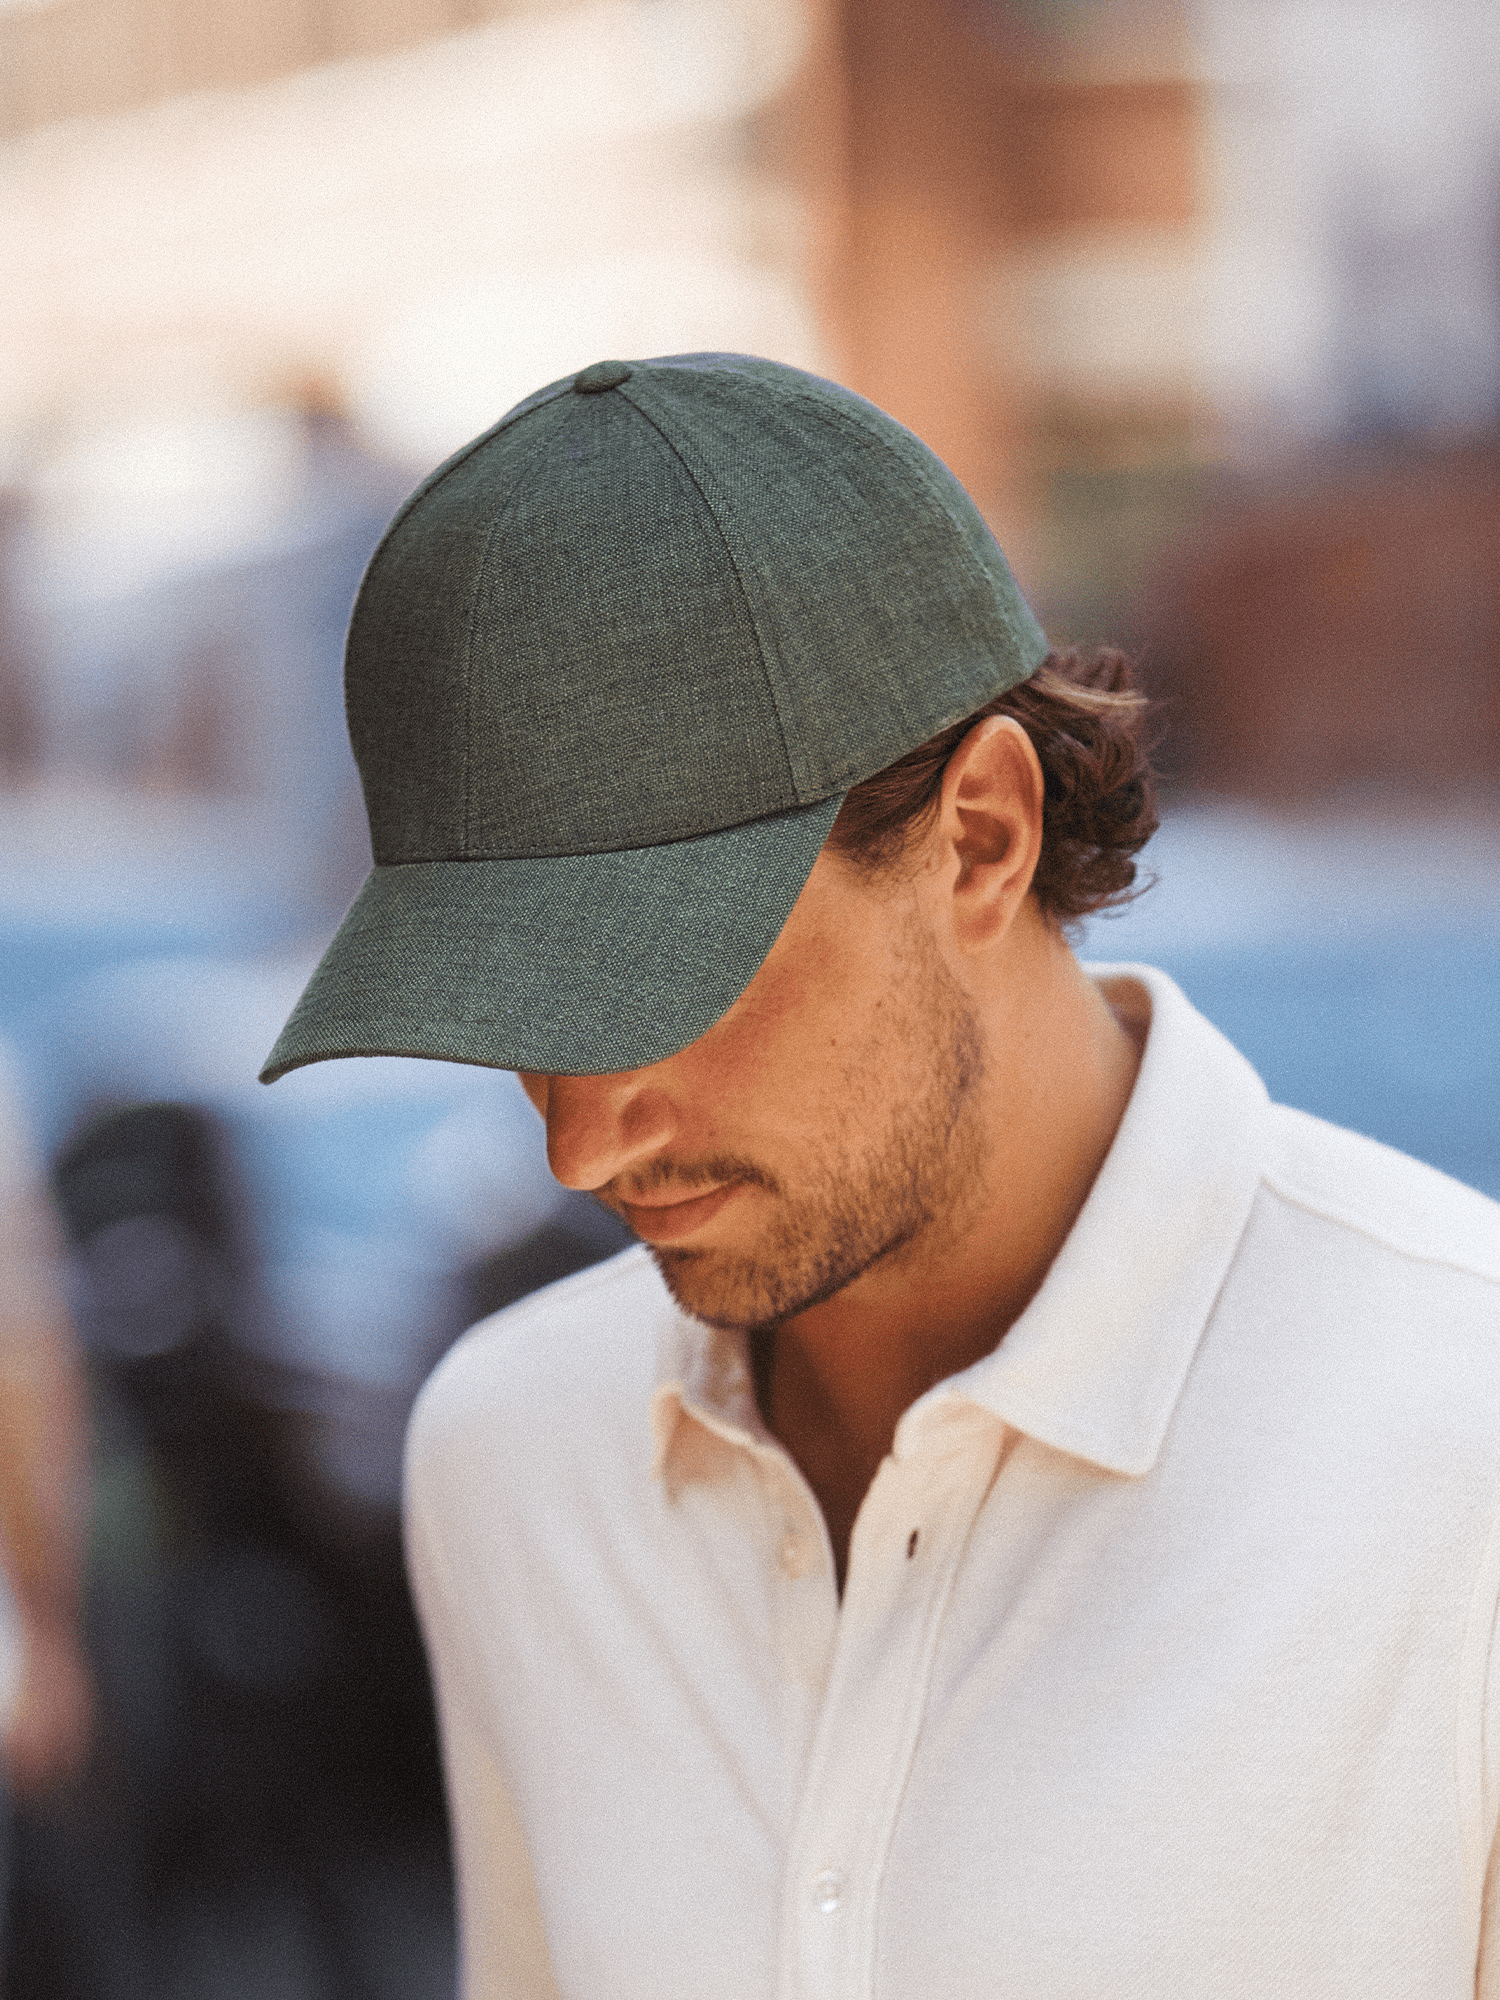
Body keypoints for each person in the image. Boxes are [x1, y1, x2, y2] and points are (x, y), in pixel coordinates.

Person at [261, 354, 1500, 1999]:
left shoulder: (1460, 1446)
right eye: (513, 1018)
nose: (576, 1143)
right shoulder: (509, 1462)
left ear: (980, 833)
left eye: (657, 991)